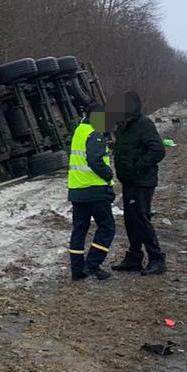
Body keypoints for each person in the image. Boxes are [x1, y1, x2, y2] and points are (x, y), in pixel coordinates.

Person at [111, 91, 167, 276]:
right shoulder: (122, 126)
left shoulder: (144, 124)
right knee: (130, 219)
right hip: (128, 181)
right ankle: (134, 257)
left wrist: (137, 166)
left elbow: (158, 150)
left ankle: (157, 259)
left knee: (141, 218)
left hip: (142, 181)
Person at [67, 102, 115, 282]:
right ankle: (93, 264)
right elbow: (95, 160)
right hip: (94, 190)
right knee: (107, 227)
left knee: (79, 229)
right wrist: (108, 174)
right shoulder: (94, 133)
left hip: (77, 190)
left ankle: (77, 270)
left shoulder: (79, 130)